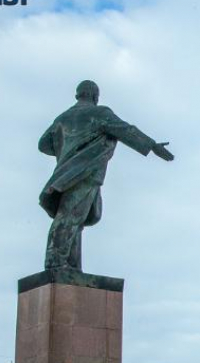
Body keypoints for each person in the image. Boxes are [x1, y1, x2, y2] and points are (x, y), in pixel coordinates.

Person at [38, 80, 174, 271]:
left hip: (65, 172)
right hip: (85, 171)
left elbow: (43, 144)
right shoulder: (100, 112)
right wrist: (152, 145)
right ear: (95, 96)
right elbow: (125, 130)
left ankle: (71, 264)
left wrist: (67, 147)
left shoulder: (61, 118)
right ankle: (56, 263)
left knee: (77, 219)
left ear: (78, 95)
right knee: (70, 217)